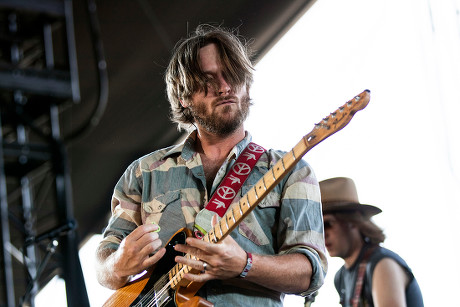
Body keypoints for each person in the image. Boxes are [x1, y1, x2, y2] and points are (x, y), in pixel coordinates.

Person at [95, 24, 327, 307]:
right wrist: (117, 264)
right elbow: (104, 263)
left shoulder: (290, 170)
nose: (225, 87)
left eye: (232, 75)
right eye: (208, 80)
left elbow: (310, 272)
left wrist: (244, 264)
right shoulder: (144, 173)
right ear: (184, 97)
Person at [320, 177, 424, 307]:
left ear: (352, 220)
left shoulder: (382, 264)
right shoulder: (340, 277)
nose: (322, 234)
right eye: (317, 228)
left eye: (327, 224)